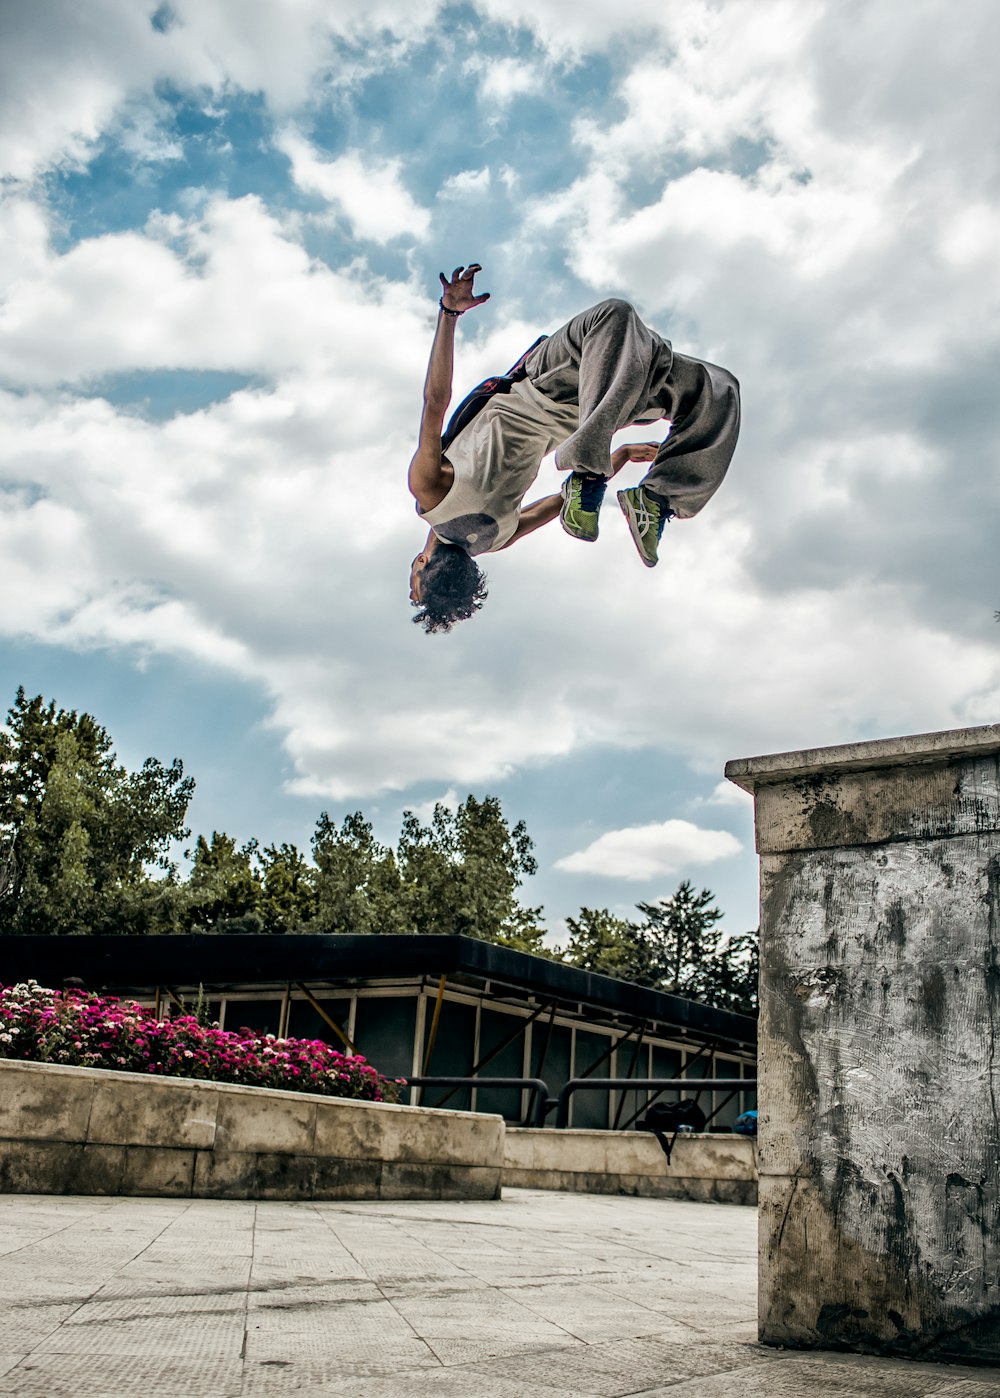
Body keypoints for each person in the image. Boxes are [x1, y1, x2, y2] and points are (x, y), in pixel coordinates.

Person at [408, 264, 740, 633]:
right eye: (415, 592)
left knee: (716, 387)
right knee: (615, 318)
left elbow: (562, 504)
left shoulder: (499, 539)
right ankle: (655, 498)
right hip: (551, 383)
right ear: (422, 561)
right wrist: (449, 313)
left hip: (597, 407)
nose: (411, 593)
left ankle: (640, 489)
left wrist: (621, 456)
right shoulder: (430, 491)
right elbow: (435, 402)